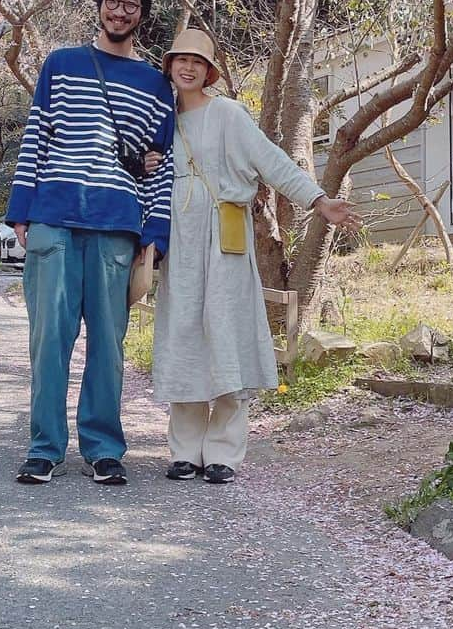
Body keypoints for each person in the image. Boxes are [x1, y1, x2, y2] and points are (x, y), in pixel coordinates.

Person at [153, 29, 359, 483]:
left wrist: (319, 200)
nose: (188, 67)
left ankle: (224, 451)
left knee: (226, 332)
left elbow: (272, 161)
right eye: (180, 59)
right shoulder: (161, 118)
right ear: (169, 66)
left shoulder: (228, 113)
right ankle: (185, 449)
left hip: (224, 234)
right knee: (184, 333)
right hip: (179, 239)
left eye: (197, 61)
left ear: (209, 71)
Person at [7, 0, 175, 487]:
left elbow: (160, 161)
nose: (119, 11)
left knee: (109, 341)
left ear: (142, 16)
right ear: (99, 5)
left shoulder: (154, 84)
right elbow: (36, 134)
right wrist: (21, 210)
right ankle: (44, 447)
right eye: (112, 1)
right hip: (54, 216)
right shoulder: (62, 64)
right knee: (48, 338)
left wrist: (157, 229)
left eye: (130, 5)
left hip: (117, 223)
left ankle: (103, 448)